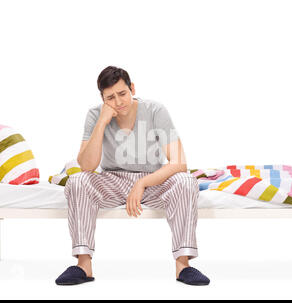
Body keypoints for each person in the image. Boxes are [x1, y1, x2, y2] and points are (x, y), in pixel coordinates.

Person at [55, 66, 210, 286]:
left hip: (152, 180)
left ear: (132, 88)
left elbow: (179, 162)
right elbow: (87, 166)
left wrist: (142, 183)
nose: (118, 102)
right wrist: (102, 122)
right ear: (102, 99)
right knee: (77, 180)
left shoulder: (155, 110)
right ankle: (83, 265)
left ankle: (183, 265)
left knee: (186, 181)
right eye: (110, 98)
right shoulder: (94, 115)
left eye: (122, 93)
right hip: (112, 180)